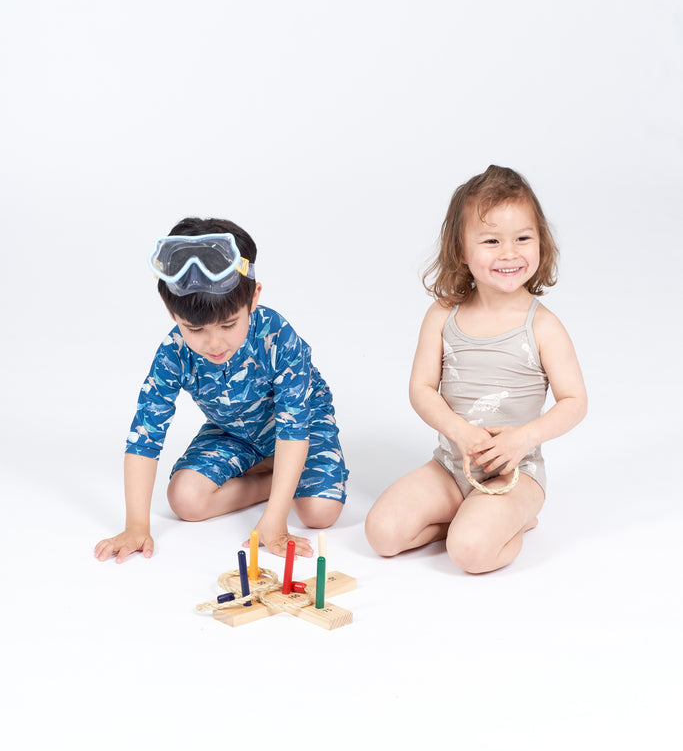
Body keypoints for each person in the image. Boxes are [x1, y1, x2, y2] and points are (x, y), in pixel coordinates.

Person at [365, 165, 587, 574]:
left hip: (514, 473)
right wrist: (461, 432)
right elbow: (421, 389)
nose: (509, 253)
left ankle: (516, 518)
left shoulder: (543, 326)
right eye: (491, 240)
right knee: (382, 534)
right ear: (461, 251)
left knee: (469, 553)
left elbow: (574, 401)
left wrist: (523, 439)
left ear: (541, 241)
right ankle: (467, 517)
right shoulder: (442, 315)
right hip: (452, 468)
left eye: (523, 238)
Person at [95, 218, 348, 564]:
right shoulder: (173, 353)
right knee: (185, 500)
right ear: (172, 313)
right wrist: (136, 525)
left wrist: (274, 519)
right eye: (195, 329)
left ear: (253, 298)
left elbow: (293, 427)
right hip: (233, 432)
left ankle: (285, 475)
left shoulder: (279, 336)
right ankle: (276, 476)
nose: (214, 343)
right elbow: (144, 437)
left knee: (320, 512)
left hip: (299, 427)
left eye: (229, 324)